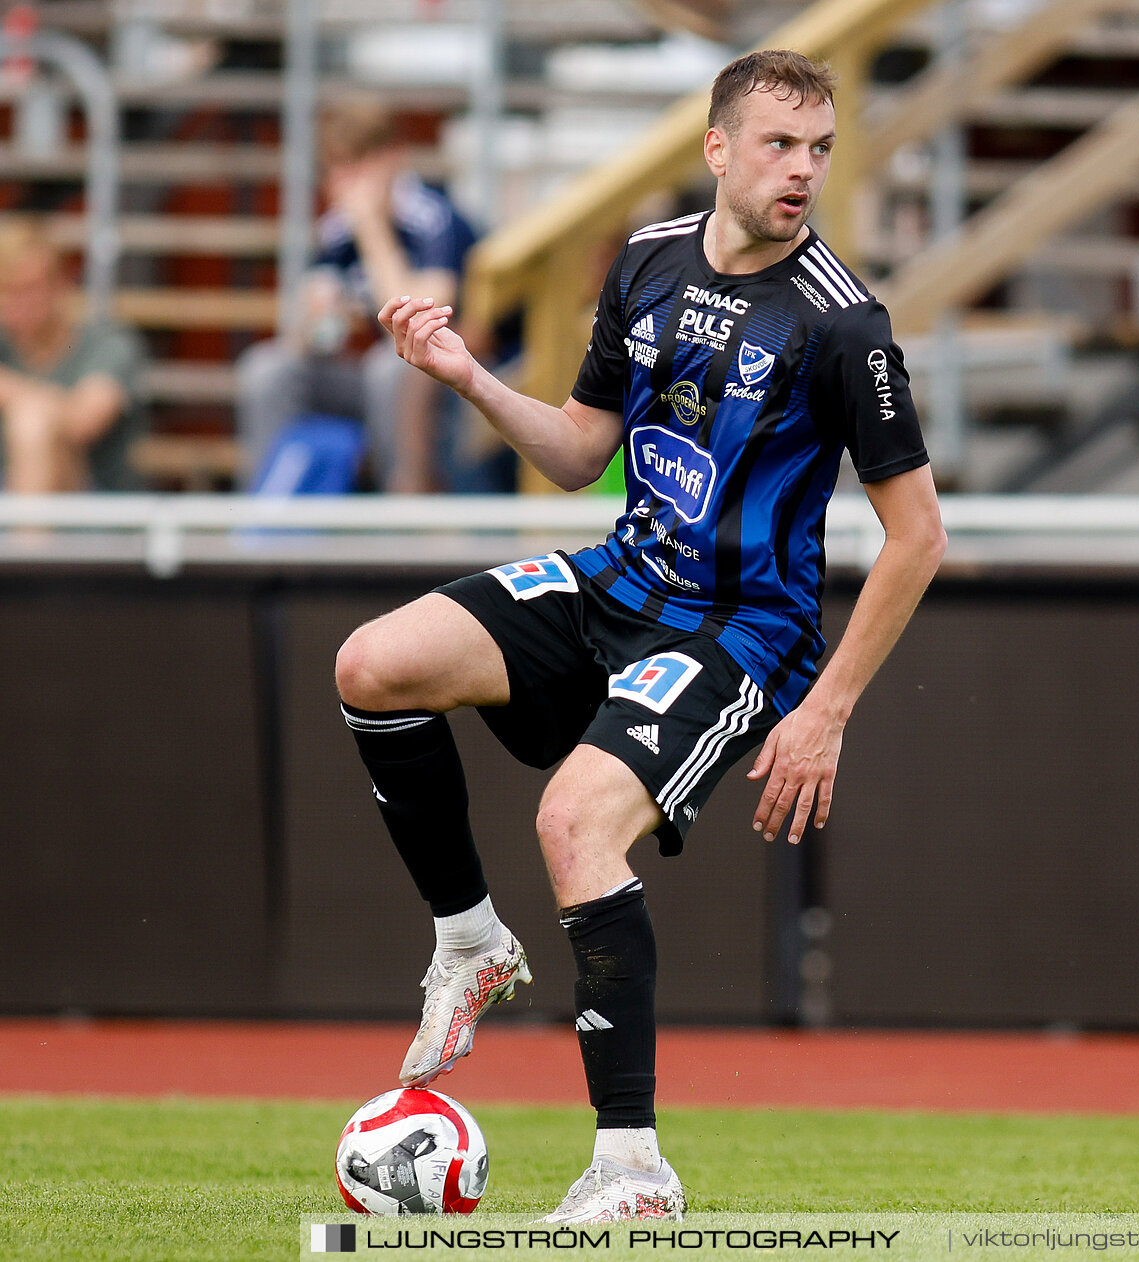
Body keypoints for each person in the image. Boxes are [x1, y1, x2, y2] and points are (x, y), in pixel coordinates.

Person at [334, 50, 944, 1223]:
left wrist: (824, 712)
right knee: (374, 662)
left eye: (820, 148)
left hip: (736, 628)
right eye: (779, 144)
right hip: (620, 575)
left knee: (573, 822)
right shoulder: (649, 260)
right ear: (717, 147)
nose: (803, 170)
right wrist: (466, 374)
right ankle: (469, 940)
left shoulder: (843, 325)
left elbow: (917, 537)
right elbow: (577, 451)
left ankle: (631, 1167)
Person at [235, 99, 476, 492]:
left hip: (450, 382)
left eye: (358, 165)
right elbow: (308, 340)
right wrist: (317, 323)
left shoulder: (433, 218)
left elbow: (422, 329)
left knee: (391, 367)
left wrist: (371, 229)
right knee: (268, 370)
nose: (345, 184)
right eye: (336, 169)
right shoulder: (336, 233)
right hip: (371, 376)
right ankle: (268, 513)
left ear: (394, 160)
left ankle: (401, 508)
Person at [0, 219, 144, 492]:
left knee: (31, 424)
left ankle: (26, 537)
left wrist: (8, 389)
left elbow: (84, 421)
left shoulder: (108, 344)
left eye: (30, 288)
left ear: (61, 285)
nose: (20, 303)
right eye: (8, 291)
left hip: (91, 509)